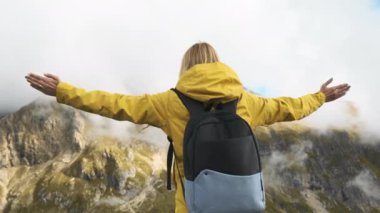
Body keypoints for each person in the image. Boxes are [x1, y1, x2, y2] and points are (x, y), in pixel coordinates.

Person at [25, 42, 350, 213]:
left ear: (186, 67)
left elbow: (113, 103)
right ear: (219, 63)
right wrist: (320, 97)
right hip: (244, 204)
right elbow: (289, 108)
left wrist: (64, 91)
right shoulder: (247, 102)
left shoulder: (170, 103)